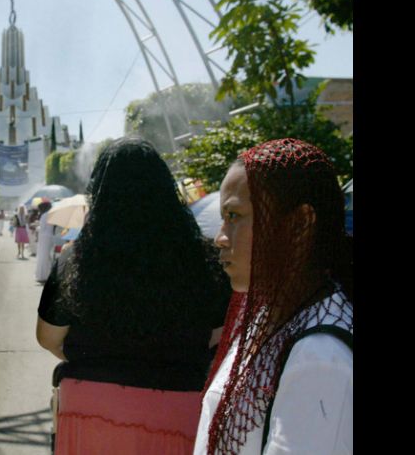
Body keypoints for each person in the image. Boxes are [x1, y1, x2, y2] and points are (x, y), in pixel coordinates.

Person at [36, 137, 230, 454]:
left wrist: (100, 357)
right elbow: (218, 336)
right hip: (179, 410)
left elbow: (48, 337)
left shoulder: (75, 261)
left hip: (90, 407)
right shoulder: (204, 259)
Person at [193, 138, 353, 455]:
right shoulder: (269, 320)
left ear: (298, 225)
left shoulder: (320, 357)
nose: (220, 238)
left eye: (235, 216)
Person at [34, 201, 54, 283]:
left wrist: (36, 227)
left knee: (42, 257)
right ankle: (47, 274)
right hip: (50, 237)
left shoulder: (44, 215)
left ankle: (42, 275)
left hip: (43, 237)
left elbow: (42, 228)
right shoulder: (51, 214)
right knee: (47, 257)